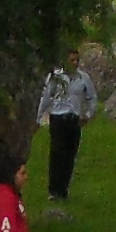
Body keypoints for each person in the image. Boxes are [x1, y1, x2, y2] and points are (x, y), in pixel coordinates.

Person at [36, 57, 95, 204]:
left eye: (76, 60)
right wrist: (38, 117)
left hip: (73, 119)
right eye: (71, 60)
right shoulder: (55, 77)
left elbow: (92, 97)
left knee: (70, 155)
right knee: (57, 153)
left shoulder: (83, 78)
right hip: (57, 118)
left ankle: (63, 189)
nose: (73, 63)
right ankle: (53, 189)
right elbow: (47, 97)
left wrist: (87, 115)